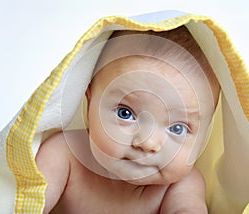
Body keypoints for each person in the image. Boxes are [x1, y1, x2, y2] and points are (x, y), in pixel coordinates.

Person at [35, 25, 220, 214]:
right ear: (89, 103)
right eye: (125, 113)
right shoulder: (64, 154)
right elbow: (25, 201)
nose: (147, 143)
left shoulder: (180, 186)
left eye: (178, 128)